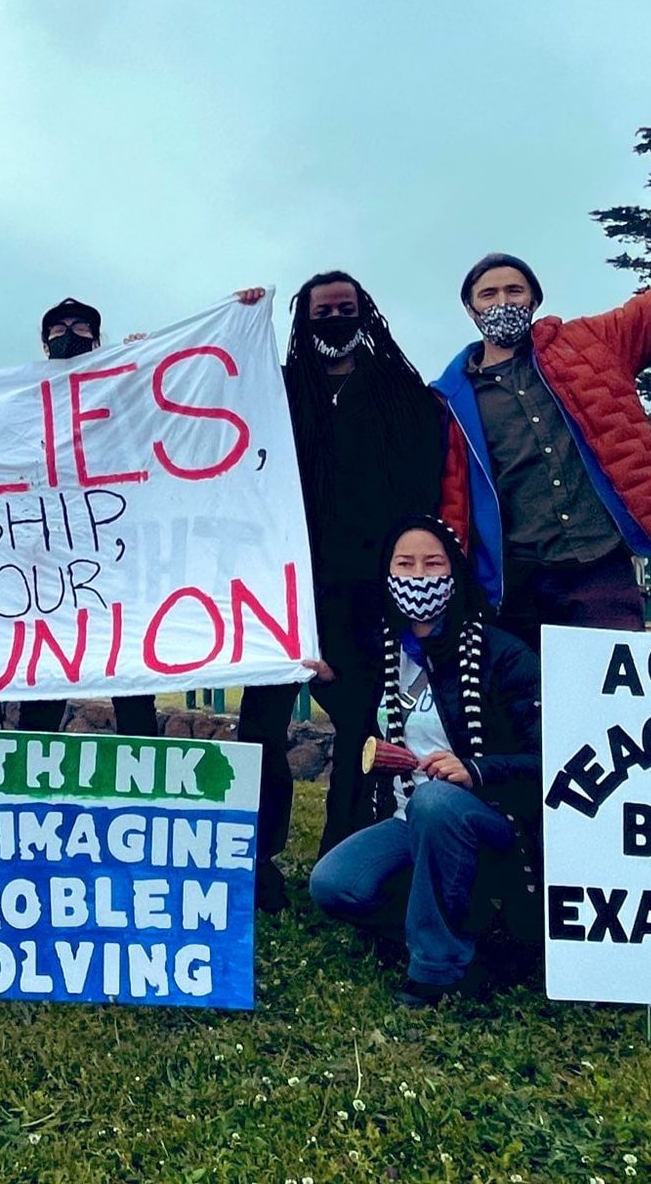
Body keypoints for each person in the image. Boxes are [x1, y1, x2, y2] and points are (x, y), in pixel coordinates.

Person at [435, 154, 651, 653]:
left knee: (611, 692)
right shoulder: (448, 399)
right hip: (515, 582)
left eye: (514, 291)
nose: (502, 302)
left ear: (534, 301)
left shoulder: (594, 343)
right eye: (488, 294)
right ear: (470, 309)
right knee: (525, 696)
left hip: (599, 567)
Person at [232, 277, 445, 911]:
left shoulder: (399, 393)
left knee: (361, 729)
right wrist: (231, 326)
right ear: (303, 320)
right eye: (321, 311)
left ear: (365, 314)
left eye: (345, 310)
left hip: (365, 596)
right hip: (281, 589)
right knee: (260, 728)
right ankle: (255, 862)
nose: (333, 319)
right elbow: (211, 404)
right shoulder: (276, 392)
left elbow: (426, 484)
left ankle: (345, 854)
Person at [309, 517, 541, 1008]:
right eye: (405, 564)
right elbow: (359, 721)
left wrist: (476, 770)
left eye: (433, 563)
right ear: (387, 574)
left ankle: (436, 971)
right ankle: (468, 927)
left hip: (489, 817)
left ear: (455, 572)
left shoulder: (501, 654)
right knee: (333, 884)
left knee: (435, 802)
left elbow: (546, 757)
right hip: (407, 818)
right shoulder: (384, 651)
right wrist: (326, 681)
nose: (418, 576)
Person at [16, 297, 160, 738]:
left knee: (130, 681)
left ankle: (143, 770)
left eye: (81, 328)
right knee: (45, 680)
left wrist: (147, 362)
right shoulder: (22, 399)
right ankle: (27, 771)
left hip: (116, 560)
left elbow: (157, 420)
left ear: (97, 342)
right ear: (45, 345)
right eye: (59, 329)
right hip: (51, 566)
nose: (69, 334)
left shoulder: (119, 387)